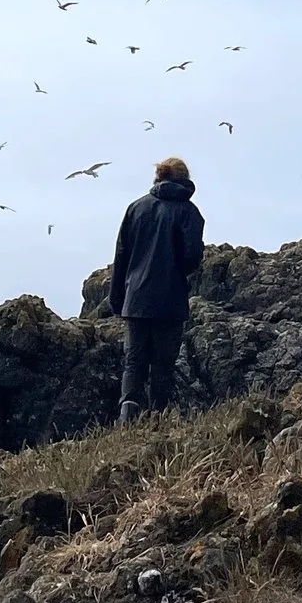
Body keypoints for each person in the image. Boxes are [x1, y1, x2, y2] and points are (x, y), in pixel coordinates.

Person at [109, 156, 204, 421]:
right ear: (184, 180)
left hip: (135, 299)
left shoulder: (136, 208)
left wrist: (117, 299)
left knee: (133, 362)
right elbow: (191, 257)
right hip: (170, 300)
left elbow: (121, 257)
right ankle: (157, 420)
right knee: (163, 365)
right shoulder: (189, 212)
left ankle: (127, 418)